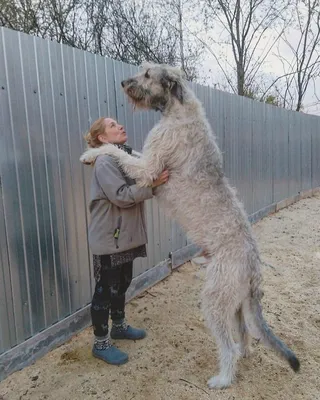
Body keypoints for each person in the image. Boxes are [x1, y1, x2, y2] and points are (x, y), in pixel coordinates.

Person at [81, 117, 169, 365]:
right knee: (105, 289)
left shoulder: (125, 158)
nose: (120, 126)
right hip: (110, 237)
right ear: (102, 138)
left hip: (124, 236)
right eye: (112, 125)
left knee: (123, 282)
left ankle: (118, 325)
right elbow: (120, 196)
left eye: (119, 123)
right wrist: (152, 185)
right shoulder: (106, 161)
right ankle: (100, 343)